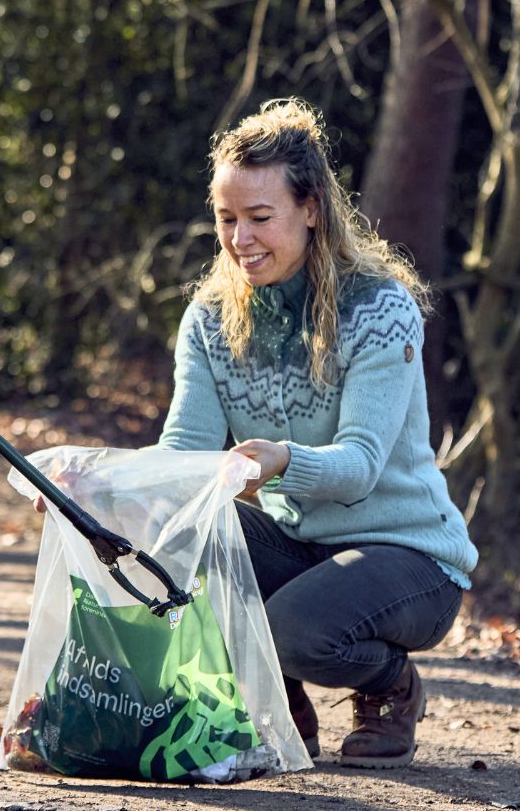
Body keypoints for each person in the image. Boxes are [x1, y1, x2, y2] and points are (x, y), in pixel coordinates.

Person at [151, 99, 478, 769]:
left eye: (260, 218)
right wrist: (94, 489)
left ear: (311, 210)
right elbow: (182, 453)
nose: (241, 238)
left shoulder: (378, 307)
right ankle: (282, 707)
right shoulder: (210, 319)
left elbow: (358, 467)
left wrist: (279, 461)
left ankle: (391, 686)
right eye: (227, 219)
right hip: (299, 545)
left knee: (296, 630)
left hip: (406, 555)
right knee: (190, 530)